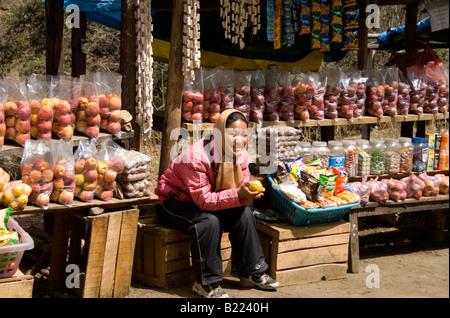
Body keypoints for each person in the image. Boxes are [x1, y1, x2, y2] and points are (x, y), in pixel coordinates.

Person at [155, 109, 279, 298]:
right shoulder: (196, 158)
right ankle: (206, 283)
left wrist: (248, 193)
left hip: (207, 199)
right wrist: (239, 194)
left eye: (244, 135)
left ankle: (252, 272)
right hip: (173, 203)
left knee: (244, 213)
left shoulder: (241, 155)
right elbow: (204, 200)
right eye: (233, 134)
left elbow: (240, 187)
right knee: (208, 221)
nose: (239, 140)